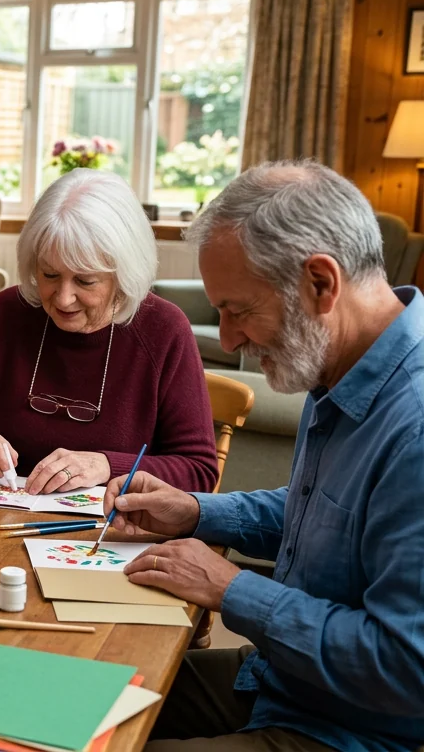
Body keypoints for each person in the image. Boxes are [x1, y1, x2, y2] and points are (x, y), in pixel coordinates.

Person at [106, 162, 424, 752]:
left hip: (356, 730)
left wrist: (232, 590)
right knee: (79, 691)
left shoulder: (415, 429)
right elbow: (328, 517)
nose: (227, 339)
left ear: (321, 283)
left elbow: (406, 668)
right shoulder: (340, 367)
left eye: (239, 310)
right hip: (284, 681)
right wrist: (196, 512)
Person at [0, 168, 217, 494]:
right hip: (3, 515)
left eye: (85, 280)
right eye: (49, 275)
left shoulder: (164, 329)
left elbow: (199, 470)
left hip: (110, 523)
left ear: (123, 273)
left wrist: (106, 465)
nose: (63, 299)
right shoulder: (8, 312)